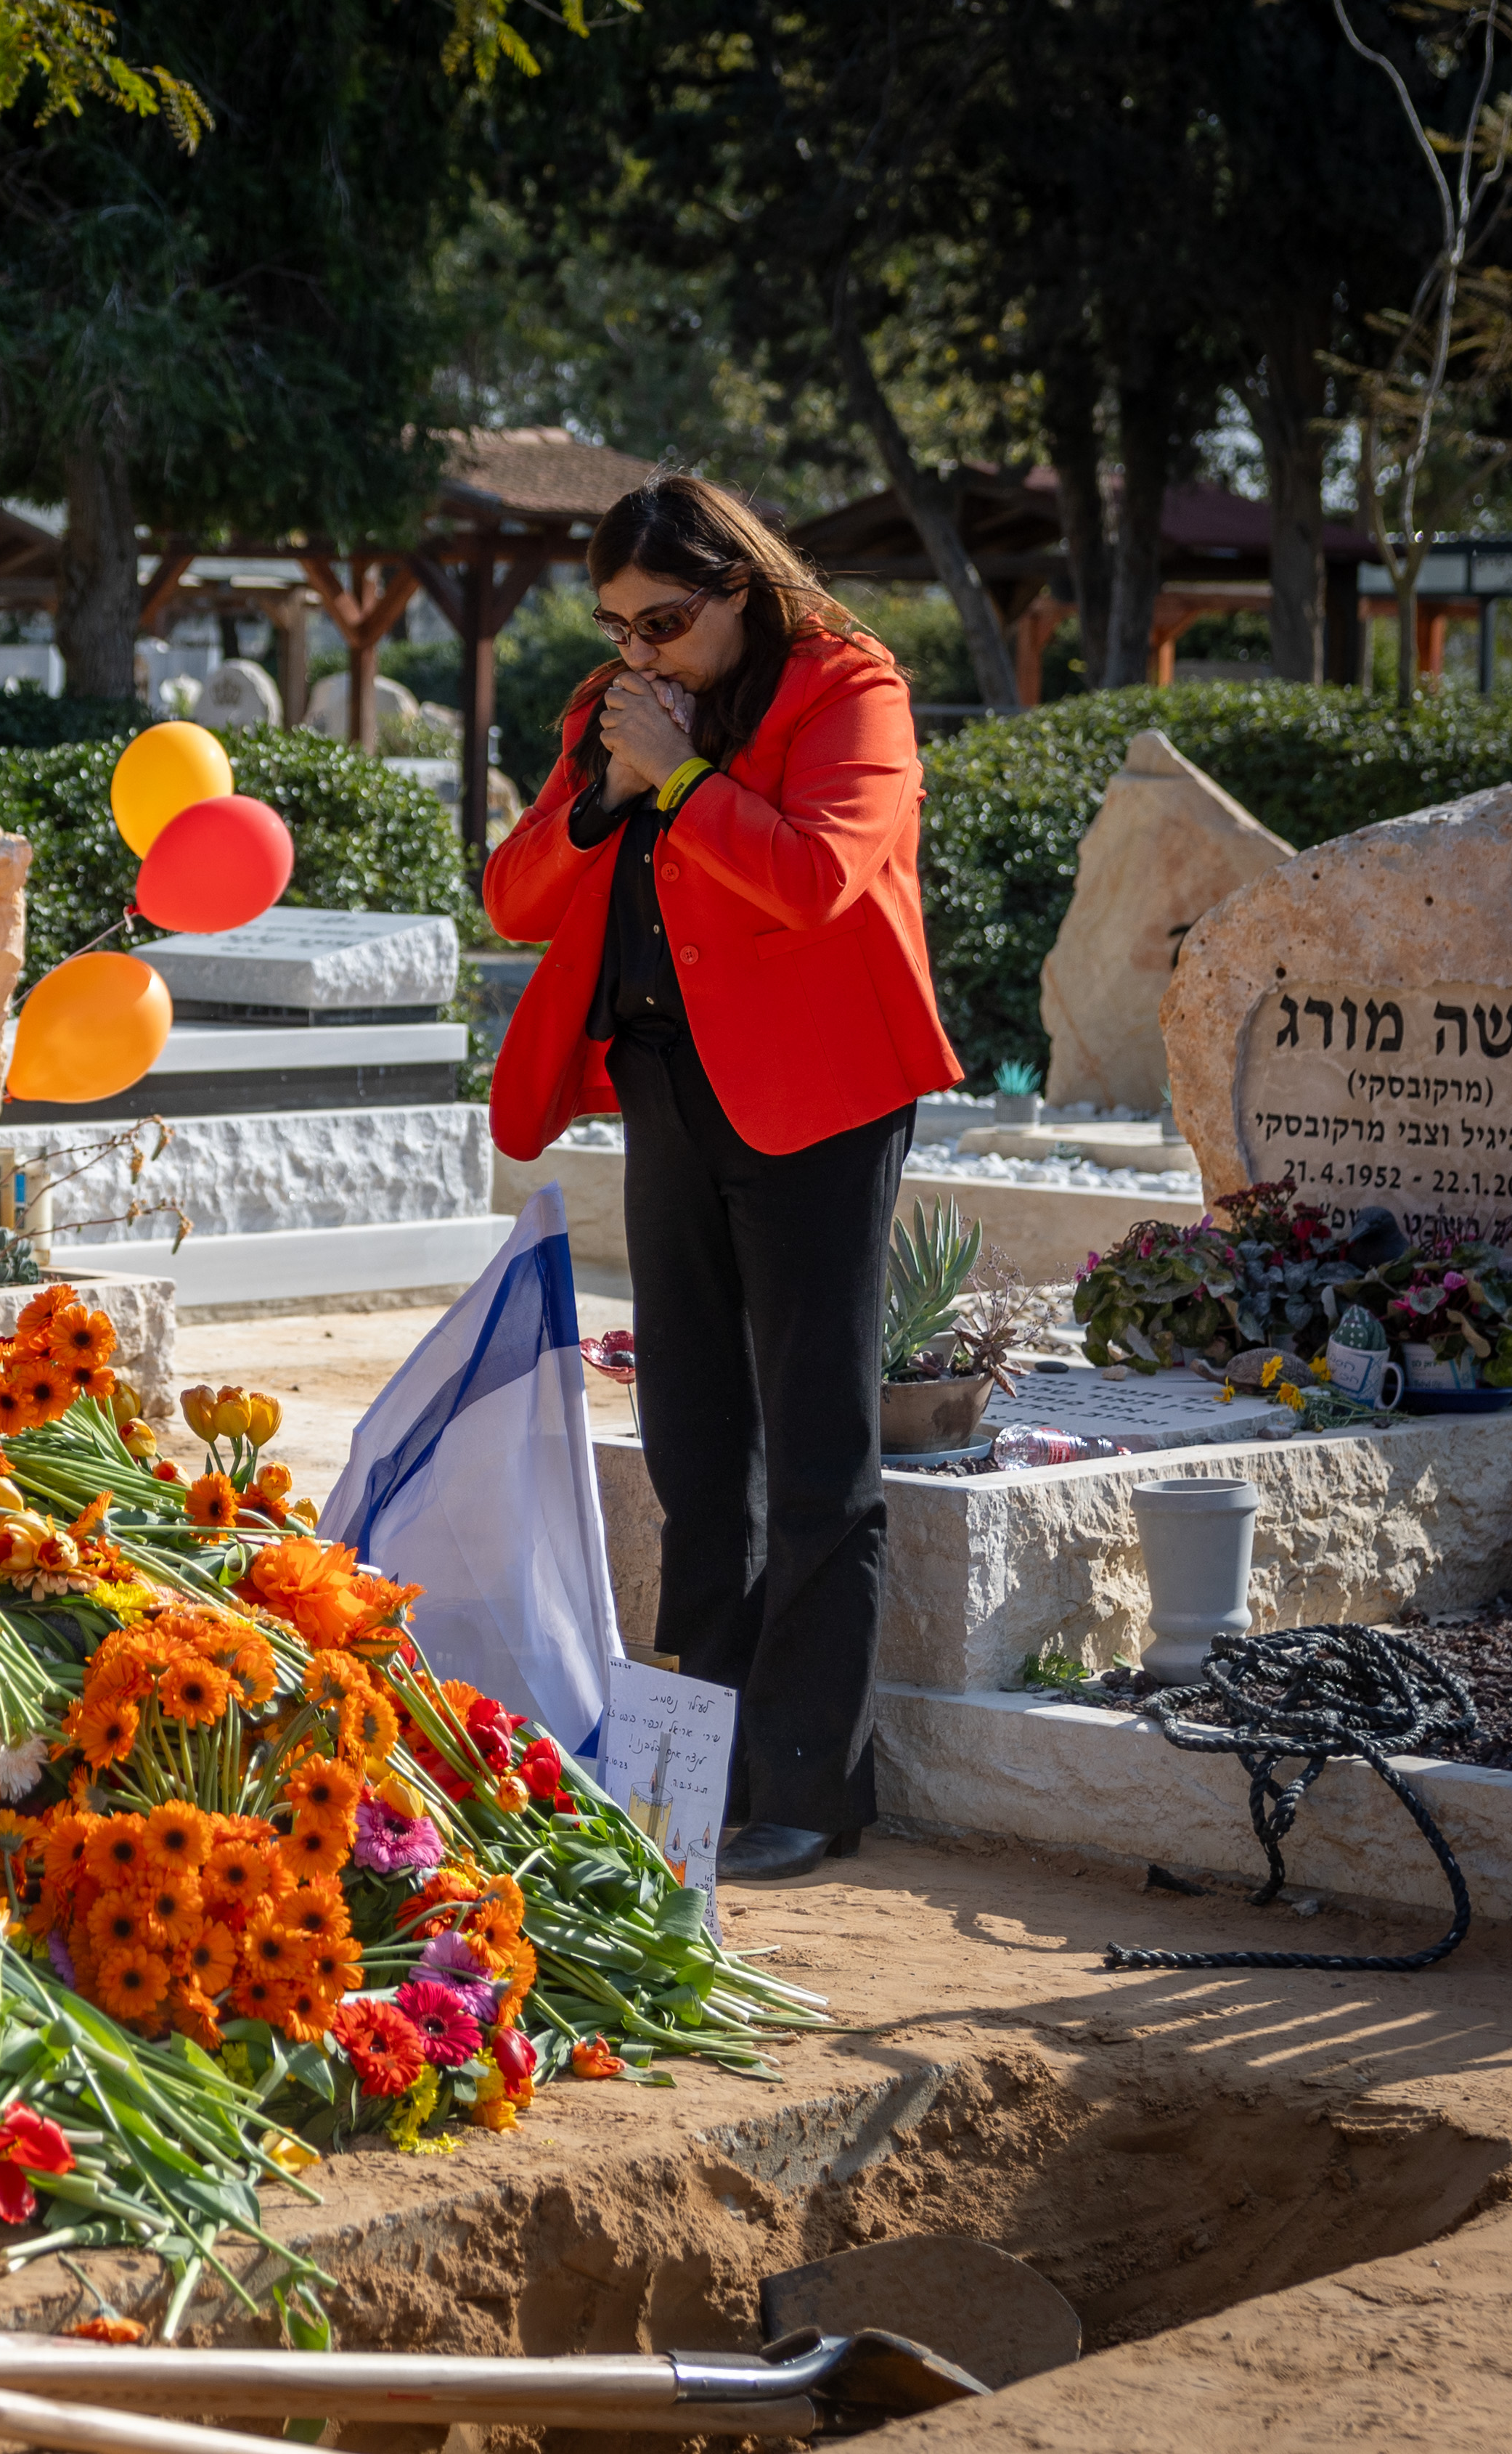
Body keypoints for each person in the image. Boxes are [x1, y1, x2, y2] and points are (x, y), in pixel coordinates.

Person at [480, 475, 961, 1883]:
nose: (637, 651)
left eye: (666, 621)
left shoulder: (845, 686)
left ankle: (812, 1784)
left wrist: (684, 782)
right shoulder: (611, 708)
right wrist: (606, 791)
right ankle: (696, 1778)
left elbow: (817, 876)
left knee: (819, 1448)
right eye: (617, 623)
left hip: (820, 1100)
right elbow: (513, 897)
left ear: (739, 586)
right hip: (667, 1092)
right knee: (697, 1448)